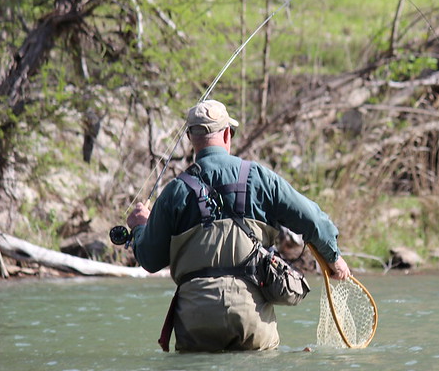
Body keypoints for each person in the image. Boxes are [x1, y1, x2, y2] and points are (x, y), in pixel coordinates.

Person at [126, 99, 350, 352]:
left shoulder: (175, 191)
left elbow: (151, 260)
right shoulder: (259, 177)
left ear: (190, 137)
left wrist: (140, 227)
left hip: (195, 322)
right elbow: (312, 219)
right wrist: (333, 258)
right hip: (251, 319)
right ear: (227, 133)